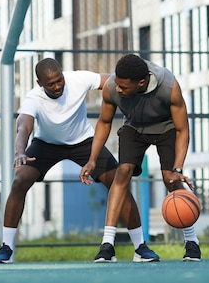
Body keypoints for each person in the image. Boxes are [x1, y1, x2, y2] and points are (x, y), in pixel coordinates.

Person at [0, 58, 159, 264]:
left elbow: (114, 82)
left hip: (83, 142)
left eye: (59, 80)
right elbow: (23, 127)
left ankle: (140, 247)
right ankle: (6, 247)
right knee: (19, 180)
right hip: (46, 144)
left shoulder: (78, 79)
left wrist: (140, 93)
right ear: (39, 84)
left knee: (119, 182)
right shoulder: (32, 98)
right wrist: (20, 151)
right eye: (50, 84)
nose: (57, 86)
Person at [80, 53, 201, 262]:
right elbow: (104, 123)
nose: (118, 89)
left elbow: (183, 130)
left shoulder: (169, 86)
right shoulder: (112, 87)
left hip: (167, 128)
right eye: (117, 84)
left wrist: (178, 169)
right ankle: (107, 245)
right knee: (123, 171)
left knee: (169, 179)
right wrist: (92, 159)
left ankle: (191, 242)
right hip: (134, 127)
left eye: (124, 87)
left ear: (141, 83)